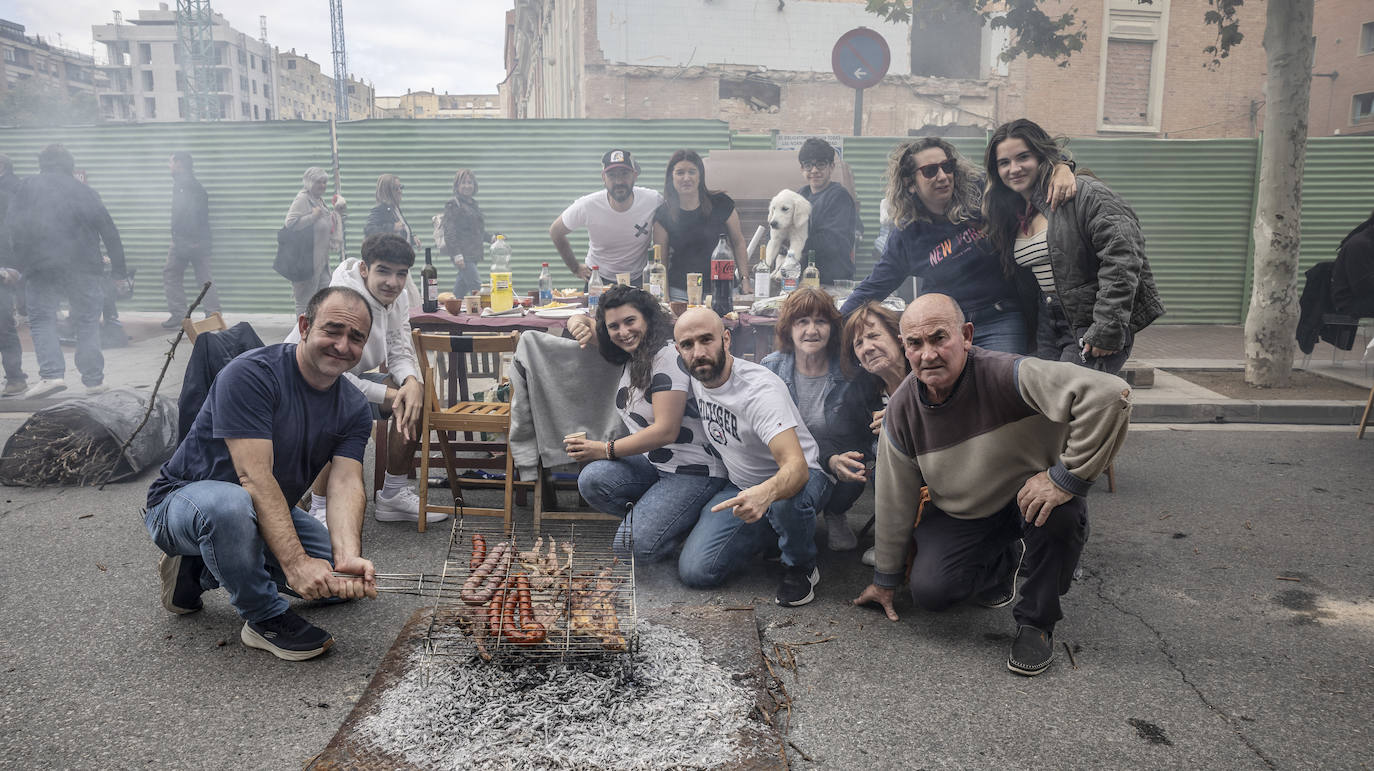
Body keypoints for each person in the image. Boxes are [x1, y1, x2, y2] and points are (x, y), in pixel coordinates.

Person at [852, 293, 1130, 676]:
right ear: (905, 348)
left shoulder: (1010, 374)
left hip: (1030, 497)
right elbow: (893, 499)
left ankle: (1036, 622)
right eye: (915, 343)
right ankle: (1006, 560)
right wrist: (884, 580)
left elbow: (1111, 395)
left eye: (938, 338)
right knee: (931, 593)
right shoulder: (902, 410)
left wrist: (1067, 478)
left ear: (966, 335)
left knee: (1060, 515)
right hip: (966, 510)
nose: (928, 354)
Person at [144, 286, 379, 661]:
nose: (342, 345)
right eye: (332, 330)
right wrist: (296, 563)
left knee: (334, 584)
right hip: (184, 501)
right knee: (231, 506)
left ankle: (198, 571)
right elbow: (253, 477)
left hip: (258, 508)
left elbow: (346, 482)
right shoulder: (252, 374)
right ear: (304, 326)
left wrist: (348, 555)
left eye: (355, 337)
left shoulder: (353, 405)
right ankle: (263, 618)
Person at [839, 137, 1077, 354]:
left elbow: (1026, 169)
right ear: (910, 183)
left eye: (947, 166)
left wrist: (1062, 167)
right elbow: (874, 286)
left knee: (1003, 386)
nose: (943, 176)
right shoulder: (907, 235)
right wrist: (831, 320)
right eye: (930, 171)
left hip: (1000, 317)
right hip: (946, 327)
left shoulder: (983, 192)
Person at [672, 307, 832, 607]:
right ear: (678, 349)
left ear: (727, 339)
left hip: (803, 478)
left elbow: (796, 469)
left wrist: (766, 493)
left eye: (707, 340)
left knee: (784, 504)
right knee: (697, 571)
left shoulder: (759, 390)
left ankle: (801, 565)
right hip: (742, 486)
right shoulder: (695, 373)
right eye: (687, 345)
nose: (698, 352)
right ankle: (773, 534)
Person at [982, 118, 1164, 373]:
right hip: (1047, 321)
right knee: (1046, 401)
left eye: (1023, 157)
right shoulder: (1013, 212)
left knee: (1070, 399)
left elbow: (1123, 257)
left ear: (1041, 155)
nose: (1014, 168)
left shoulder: (1084, 193)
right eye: (1004, 162)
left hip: (1087, 320)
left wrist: (1106, 327)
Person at [285, 233, 441, 526]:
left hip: (348, 379)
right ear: (364, 269)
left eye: (401, 274)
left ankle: (392, 496)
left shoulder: (399, 297)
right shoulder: (343, 300)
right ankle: (320, 507)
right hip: (303, 385)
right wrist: (392, 396)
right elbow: (332, 375)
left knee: (415, 400)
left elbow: (399, 345)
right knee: (335, 407)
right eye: (383, 270)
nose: (393, 282)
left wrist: (410, 382)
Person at [564, 286, 728, 560]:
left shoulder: (667, 357)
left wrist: (604, 449)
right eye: (614, 326)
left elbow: (666, 430)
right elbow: (586, 323)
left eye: (630, 321)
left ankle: (687, 523)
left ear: (648, 319)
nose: (623, 332)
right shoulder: (633, 351)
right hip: (657, 464)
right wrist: (575, 322)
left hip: (694, 471)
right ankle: (665, 517)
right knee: (592, 479)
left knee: (631, 548)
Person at [760, 287, 881, 552]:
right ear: (788, 329)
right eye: (802, 321)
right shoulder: (771, 368)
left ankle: (836, 513)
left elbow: (864, 434)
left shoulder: (852, 372)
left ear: (833, 328)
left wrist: (840, 460)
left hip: (835, 464)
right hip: (786, 461)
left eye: (820, 321)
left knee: (857, 462)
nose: (811, 330)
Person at [5, 144, 127, 398]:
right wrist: (119, 271)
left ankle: (51, 376)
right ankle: (94, 381)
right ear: (70, 165)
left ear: (42, 164)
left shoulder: (27, 187)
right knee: (87, 321)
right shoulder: (85, 191)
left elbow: (13, 227)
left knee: (42, 319)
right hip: (85, 267)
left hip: (42, 268)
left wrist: (20, 263)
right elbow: (109, 231)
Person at [839, 301, 911, 567]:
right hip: (893, 473)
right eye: (858, 343)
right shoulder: (863, 389)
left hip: (945, 468)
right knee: (878, 452)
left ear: (898, 337)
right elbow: (840, 435)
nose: (867, 347)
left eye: (874, 336)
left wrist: (907, 420)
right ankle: (891, 539)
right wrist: (833, 459)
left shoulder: (926, 371)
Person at [549, 149, 663, 284]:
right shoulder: (588, 205)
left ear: (635, 175)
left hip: (638, 279)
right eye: (612, 175)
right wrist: (575, 268)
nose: (619, 181)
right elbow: (556, 231)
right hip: (599, 280)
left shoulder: (653, 200)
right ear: (603, 178)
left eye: (625, 174)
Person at [652, 149, 751, 303]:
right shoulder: (663, 214)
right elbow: (661, 261)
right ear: (671, 177)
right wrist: (664, 296)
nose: (686, 178)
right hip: (681, 293)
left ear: (700, 176)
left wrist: (745, 280)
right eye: (680, 173)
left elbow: (738, 242)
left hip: (723, 289)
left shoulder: (721, 203)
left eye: (692, 172)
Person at [161, 151, 221, 330]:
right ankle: (210, 316)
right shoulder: (186, 184)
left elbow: (194, 215)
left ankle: (187, 315)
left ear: (179, 164)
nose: (168, 166)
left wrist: (192, 240)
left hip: (190, 240)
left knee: (178, 275)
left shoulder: (187, 186)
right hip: (188, 240)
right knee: (197, 277)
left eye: (170, 162)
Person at [795, 138, 857, 285]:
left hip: (832, 281)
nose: (814, 170)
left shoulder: (839, 197)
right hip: (804, 280)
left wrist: (793, 243)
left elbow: (831, 242)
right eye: (808, 165)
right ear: (802, 169)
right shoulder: (800, 195)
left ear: (831, 167)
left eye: (821, 164)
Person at [283, 167, 336, 316]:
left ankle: (316, 333)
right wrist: (312, 217)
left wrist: (337, 213)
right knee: (305, 303)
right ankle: (300, 336)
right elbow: (290, 223)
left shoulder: (318, 199)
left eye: (325, 182)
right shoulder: (303, 199)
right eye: (319, 182)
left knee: (324, 300)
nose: (323, 186)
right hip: (306, 263)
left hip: (321, 264)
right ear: (309, 182)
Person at [0, 154, 28, 396]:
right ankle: (15, 378)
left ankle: (16, 378)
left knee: (3, 325)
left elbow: (12, 232)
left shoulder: (10, 191)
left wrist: (10, 266)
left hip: (3, 268)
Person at [441, 169, 487, 299]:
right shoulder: (453, 204)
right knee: (478, 289)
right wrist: (457, 255)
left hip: (472, 254)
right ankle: (486, 316)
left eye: (470, 182)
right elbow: (449, 231)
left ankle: (451, 314)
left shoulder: (473, 204)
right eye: (463, 183)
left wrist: (492, 238)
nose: (467, 186)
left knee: (459, 292)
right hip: (463, 255)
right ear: (457, 186)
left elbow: (477, 231)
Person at [364, 173, 421, 251]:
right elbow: (369, 229)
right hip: (390, 260)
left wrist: (412, 238)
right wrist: (392, 227)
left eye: (400, 187)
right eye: (396, 189)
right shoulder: (381, 209)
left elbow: (400, 232)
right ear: (387, 192)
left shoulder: (395, 209)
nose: (400, 191)